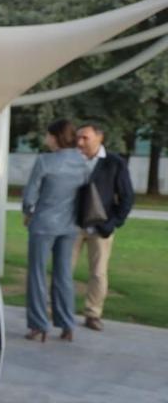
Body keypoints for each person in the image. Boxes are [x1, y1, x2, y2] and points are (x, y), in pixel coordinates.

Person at [22, 118, 91, 342]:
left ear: (55, 136)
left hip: (43, 224)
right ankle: (67, 324)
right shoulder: (82, 162)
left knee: (37, 275)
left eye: (48, 135)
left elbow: (30, 195)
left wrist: (28, 212)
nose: (46, 139)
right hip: (70, 225)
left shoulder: (45, 161)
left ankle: (39, 325)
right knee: (64, 276)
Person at [73, 122, 134, 332]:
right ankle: (59, 310)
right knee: (64, 270)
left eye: (85, 138)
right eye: (78, 137)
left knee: (98, 273)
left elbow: (127, 197)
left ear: (100, 138)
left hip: (101, 228)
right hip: (72, 226)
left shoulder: (114, 162)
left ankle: (93, 314)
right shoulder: (72, 159)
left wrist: (113, 223)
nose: (79, 142)